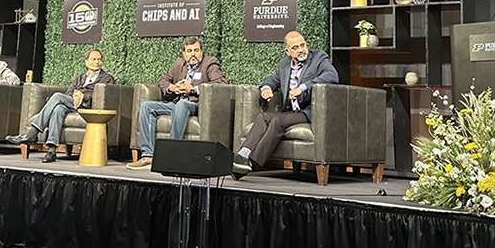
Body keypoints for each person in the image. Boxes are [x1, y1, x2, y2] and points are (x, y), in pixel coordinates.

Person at [232, 31, 338, 179]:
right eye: (295, 47)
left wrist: (302, 88)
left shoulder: (318, 58)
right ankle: (243, 154)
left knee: (277, 121)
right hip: (290, 112)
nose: (301, 49)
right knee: (263, 117)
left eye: (303, 45)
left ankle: (252, 162)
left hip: (308, 111)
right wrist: (266, 89)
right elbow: (272, 80)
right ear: (287, 51)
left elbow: (332, 76)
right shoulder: (284, 64)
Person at [126, 37, 227, 170]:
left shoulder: (210, 63)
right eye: (189, 51)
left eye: (196, 50)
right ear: (184, 54)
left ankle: (170, 155)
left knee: (182, 105)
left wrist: (192, 89)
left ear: (201, 51)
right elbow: (163, 81)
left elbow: (220, 83)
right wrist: (172, 87)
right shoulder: (179, 64)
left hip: (198, 105)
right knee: (147, 106)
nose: (193, 54)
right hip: (177, 102)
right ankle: (148, 156)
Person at [5, 48, 115, 163]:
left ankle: (32, 133)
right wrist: (75, 95)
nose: (97, 62)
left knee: (57, 96)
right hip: (74, 104)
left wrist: (83, 96)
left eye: (99, 59)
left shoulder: (107, 78)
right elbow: (68, 93)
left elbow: (104, 95)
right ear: (86, 61)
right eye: (93, 59)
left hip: (88, 107)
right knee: (59, 108)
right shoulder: (80, 78)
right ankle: (52, 150)